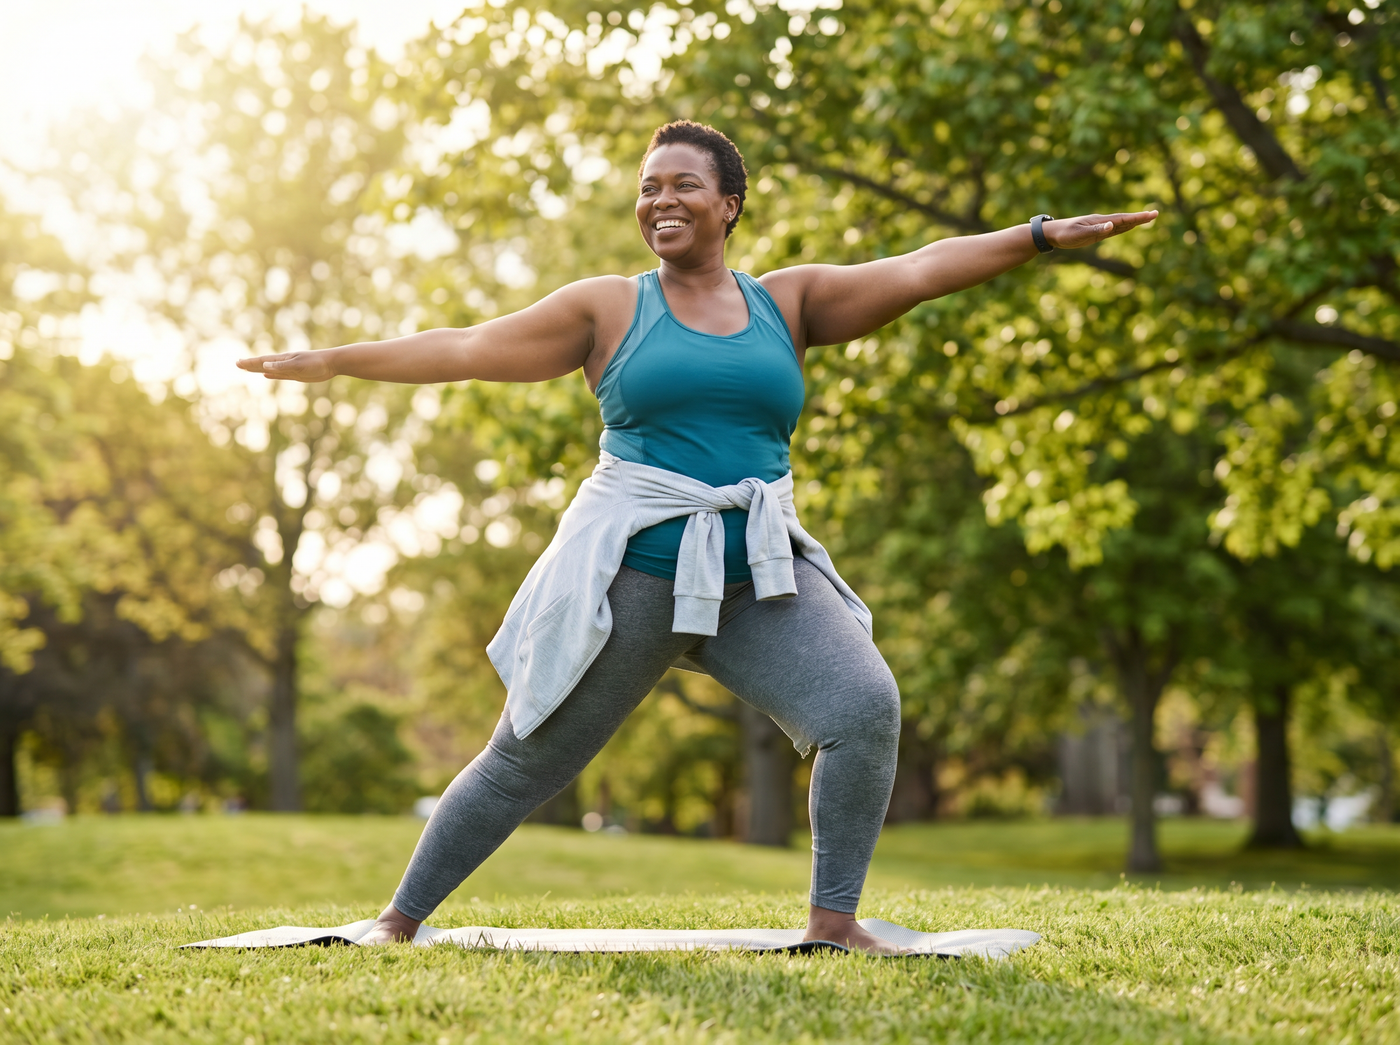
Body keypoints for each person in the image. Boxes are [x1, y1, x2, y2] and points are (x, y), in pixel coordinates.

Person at [239, 120, 1157, 954]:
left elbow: (919, 267)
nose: (660, 201)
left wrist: (1037, 237)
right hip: (632, 573)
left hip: (754, 574)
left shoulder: (788, 304)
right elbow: (472, 346)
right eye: (648, 187)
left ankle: (833, 922)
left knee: (862, 707)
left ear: (729, 203)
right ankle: (397, 921)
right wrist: (339, 361)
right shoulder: (608, 308)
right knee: (525, 757)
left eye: (682, 184)